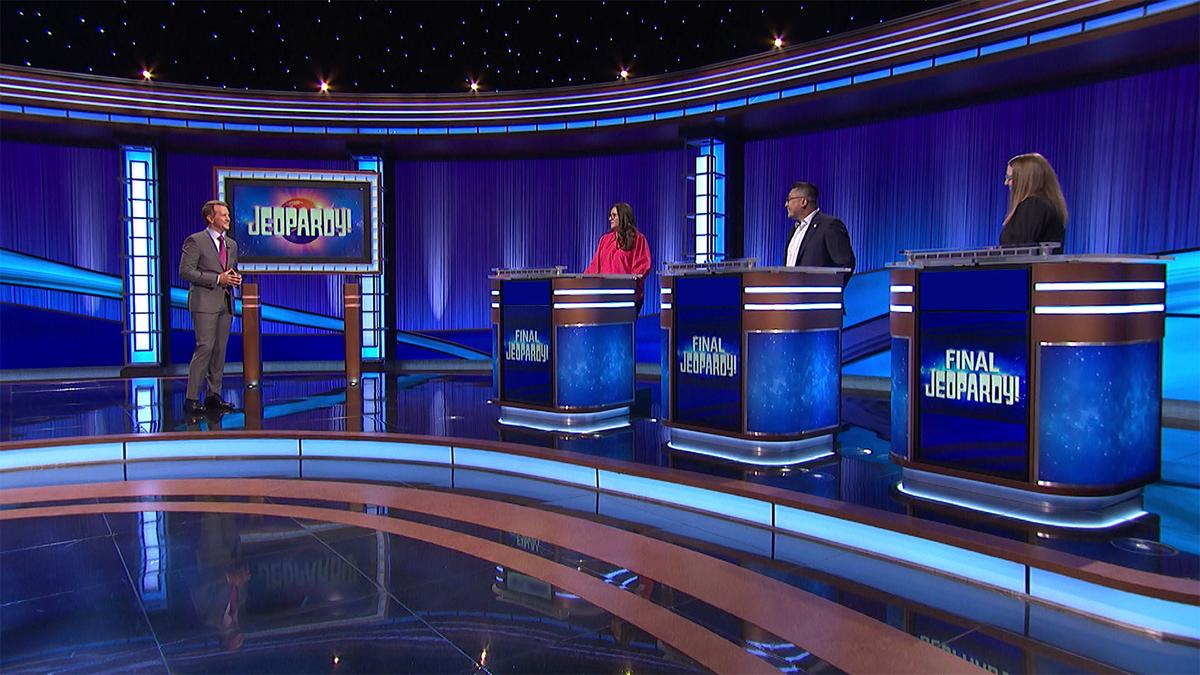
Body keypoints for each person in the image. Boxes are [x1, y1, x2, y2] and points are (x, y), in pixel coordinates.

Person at [180, 199, 241, 416]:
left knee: (219, 350)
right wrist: (217, 279)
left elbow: (228, 269)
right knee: (204, 347)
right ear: (210, 218)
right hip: (204, 302)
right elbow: (186, 271)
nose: (228, 218)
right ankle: (191, 398)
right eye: (223, 215)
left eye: (228, 215)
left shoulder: (231, 244)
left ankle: (213, 395)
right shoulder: (195, 241)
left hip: (225, 303)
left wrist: (233, 278)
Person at [584, 202, 652, 313]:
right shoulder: (604, 240)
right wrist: (583, 280)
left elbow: (642, 265)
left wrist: (628, 282)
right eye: (610, 215)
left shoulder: (638, 239)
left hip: (628, 295)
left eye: (614, 215)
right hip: (605, 295)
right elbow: (595, 266)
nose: (610, 218)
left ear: (623, 216)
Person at [783, 181, 856, 281]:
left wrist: (828, 291)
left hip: (818, 295)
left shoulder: (829, 225)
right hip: (791, 295)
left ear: (803, 202)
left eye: (789, 199)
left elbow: (845, 264)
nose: (786, 204)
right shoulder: (794, 230)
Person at [999, 152, 1068, 249]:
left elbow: (1018, 250)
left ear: (1025, 180)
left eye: (1009, 178)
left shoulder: (1034, 205)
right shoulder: (1048, 205)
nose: (1006, 183)